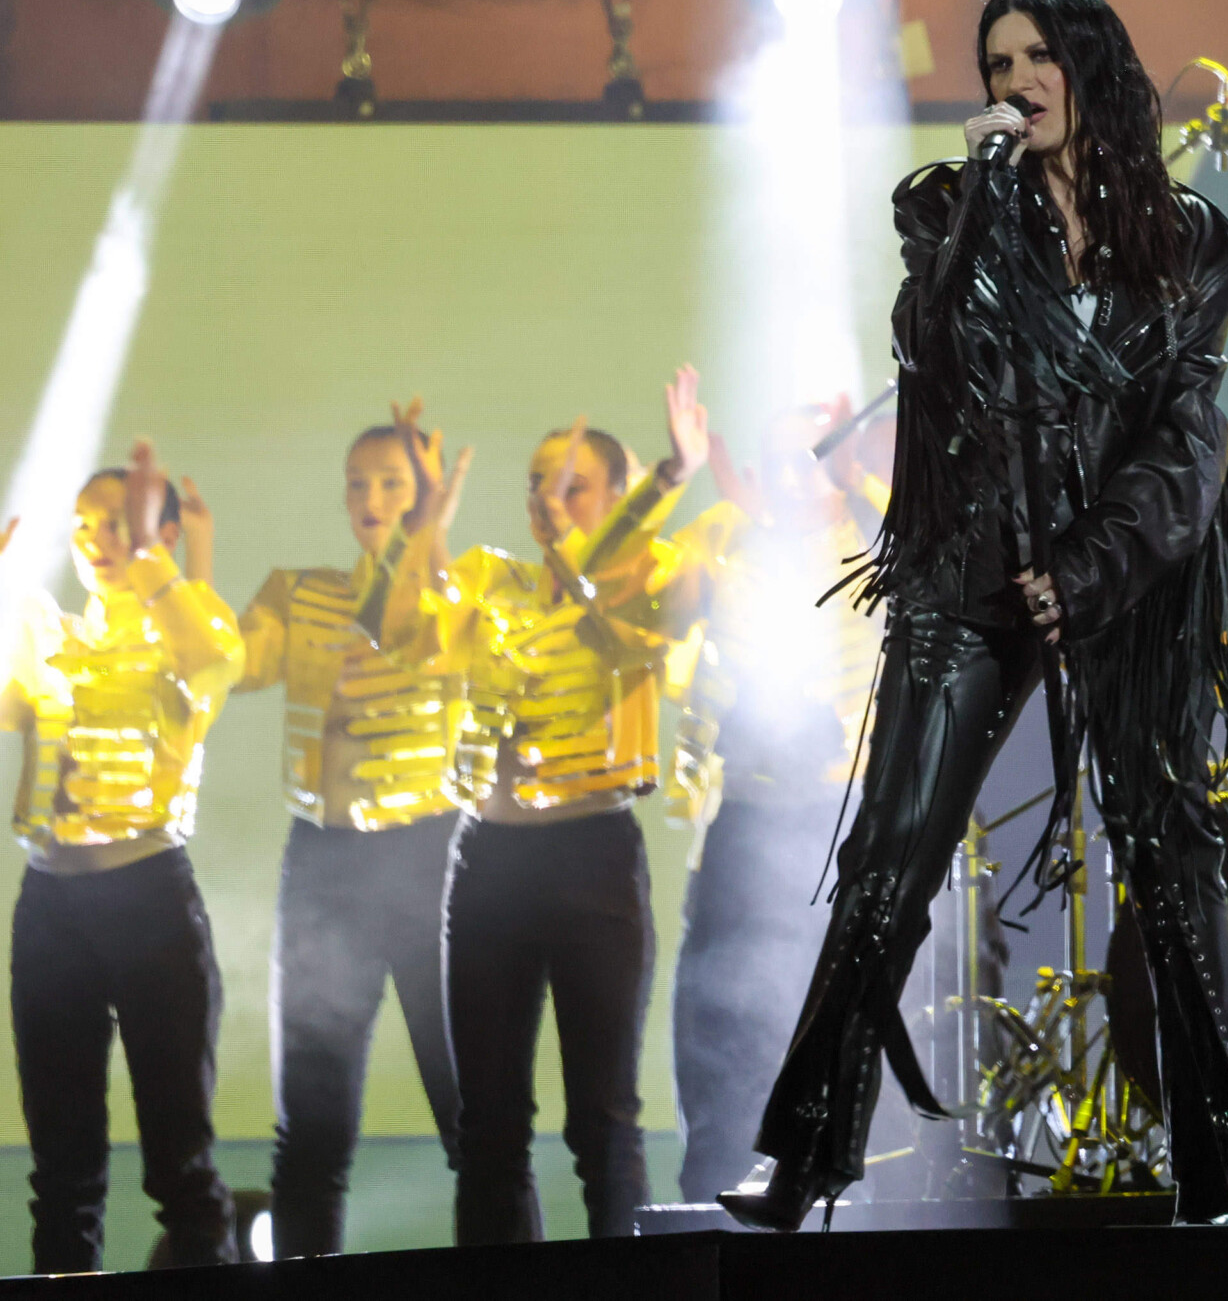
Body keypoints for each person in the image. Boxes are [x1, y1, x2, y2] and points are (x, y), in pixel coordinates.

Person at [721, 0, 1228, 1230]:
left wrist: (1086, 565)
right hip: (972, 566)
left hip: (1128, 577)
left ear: (1090, 69)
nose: (1017, 81)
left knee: (1168, 848)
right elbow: (926, 355)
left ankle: (1210, 1165)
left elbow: (1187, 440)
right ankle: (803, 1156)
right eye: (997, 63)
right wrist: (983, 202)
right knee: (890, 853)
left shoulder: (1196, 246)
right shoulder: (948, 208)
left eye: (1038, 57)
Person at [418, 373, 710, 1242]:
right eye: (538, 484)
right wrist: (425, 523)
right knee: (488, 1125)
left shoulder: (653, 575)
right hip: (488, 859)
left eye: (573, 484)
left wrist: (668, 480)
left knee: (604, 1118)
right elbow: (403, 623)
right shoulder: (490, 579)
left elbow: (646, 631)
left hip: (592, 858)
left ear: (621, 497)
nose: (549, 500)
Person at [231, 403, 473, 1255]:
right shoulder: (301, 594)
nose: (373, 498)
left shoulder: (459, 591)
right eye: (359, 483)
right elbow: (222, 666)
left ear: (425, 493)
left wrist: (428, 534)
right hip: (324, 866)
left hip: (433, 860)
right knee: (311, 1128)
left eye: (394, 482)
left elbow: (413, 625)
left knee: (475, 1121)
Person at [3, 441, 243, 1272]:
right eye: (85, 526)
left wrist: (152, 559)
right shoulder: (48, 634)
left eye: (118, 522)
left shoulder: (193, 627)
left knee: (180, 1160)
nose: (96, 540)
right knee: (61, 1170)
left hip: (149, 898)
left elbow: (213, 663)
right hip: (49, 907)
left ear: (162, 533)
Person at [665, 401, 884, 1204]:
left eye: (814, 460)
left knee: (846, 1008)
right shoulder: (728, 539)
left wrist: (862, 477)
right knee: (719, 1012)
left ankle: (853, 1194)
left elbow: (945, 556)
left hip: (845, 810)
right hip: (747, 813)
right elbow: (656, 613)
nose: (796, 478)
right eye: (781, 461)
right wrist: (682, 485)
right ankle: (712, 1195)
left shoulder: (876, 536)